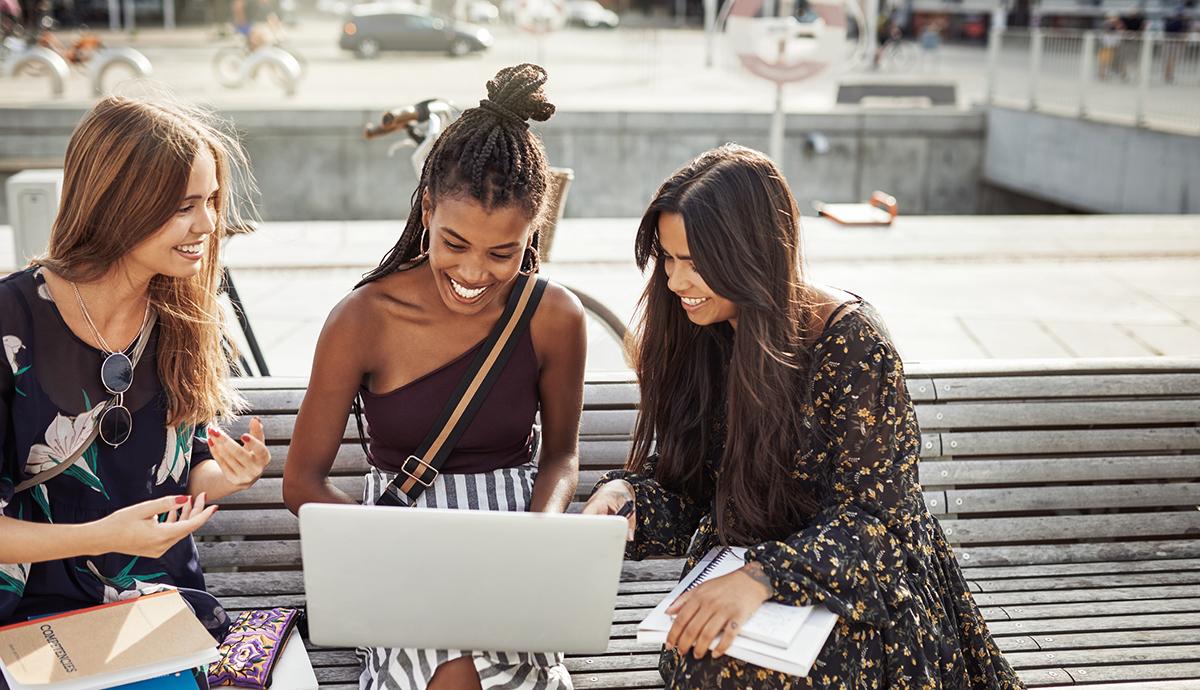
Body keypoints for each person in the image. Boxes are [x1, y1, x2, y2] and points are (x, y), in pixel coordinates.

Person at [582, 144, 1024, 690]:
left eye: (696, 264)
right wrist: (630, 502)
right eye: (669, 259)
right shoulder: (698, 336)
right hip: (747, 582)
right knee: (702, 656)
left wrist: (763, 577)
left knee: (736, 670)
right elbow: (697, 488)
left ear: (752, 253)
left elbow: (876, 525)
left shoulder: (851, 343)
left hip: (866, 592)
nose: (675, 283)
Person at [282, 63, 586, 690]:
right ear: (426, 209)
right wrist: (384, 550)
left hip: (512, 542)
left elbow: (561, 455)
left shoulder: (554, 317)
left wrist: (543, 534)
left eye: (502, 252)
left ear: (534, 229)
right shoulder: (363, 318)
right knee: (449, 667)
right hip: (398, 543)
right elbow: (300, 480)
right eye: (454, 243)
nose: (474, 271)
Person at [0, 97, 271, 641]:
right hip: (28, 620)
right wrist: (101, 536)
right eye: (184, 206)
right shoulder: (11, 321)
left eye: (211, 201)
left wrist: (227, 476)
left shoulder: (190, 319)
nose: (209, 224)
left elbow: (179, 469)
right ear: (117, 204)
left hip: (158, 613)